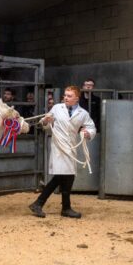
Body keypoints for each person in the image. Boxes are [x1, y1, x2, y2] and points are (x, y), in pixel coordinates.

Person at [29, 85, 96, 219]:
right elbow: (45, 124)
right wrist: (46, 121)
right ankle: (45, 204)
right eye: (65, 95)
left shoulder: (83, 113)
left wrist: (87, 133)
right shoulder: (56, 108)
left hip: (71, 146)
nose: (66, 97)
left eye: (69, 96)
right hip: (59, 146)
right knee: (62, 175)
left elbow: (91, 127)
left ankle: (60, 206)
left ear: (77, 98)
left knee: (68, 175)